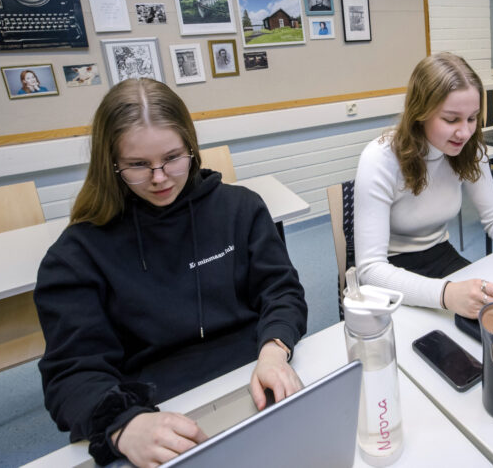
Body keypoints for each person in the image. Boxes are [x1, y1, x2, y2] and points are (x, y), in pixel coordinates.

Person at [35, 79, 307, 467]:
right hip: (154, 415)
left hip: (253, 382)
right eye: (138, 166)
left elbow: (282, 292)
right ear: (110, 163)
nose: (160, 177)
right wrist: (124, 425)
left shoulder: (240, 209)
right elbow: (71, 374)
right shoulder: (75, 257)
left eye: (172, 158)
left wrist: (274, 351)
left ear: (192, 147)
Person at [354, 53, 493, 319]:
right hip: (389, 271)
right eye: (451, 119)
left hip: (440, 255)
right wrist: (445, 294)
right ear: (420, 114)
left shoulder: (469, 147)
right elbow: (370, 270)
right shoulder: (380, 159)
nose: (465, 132)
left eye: (472, 118)